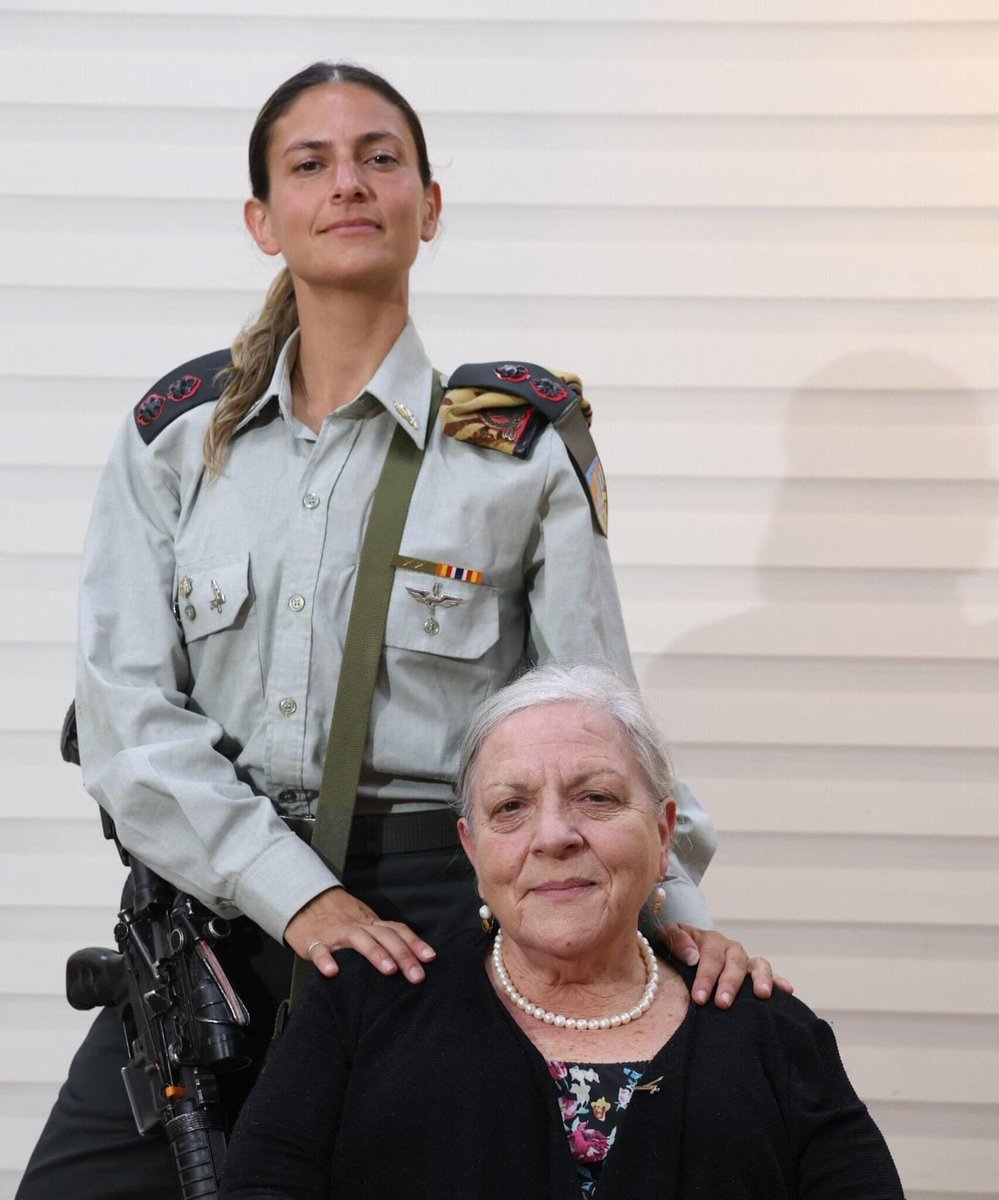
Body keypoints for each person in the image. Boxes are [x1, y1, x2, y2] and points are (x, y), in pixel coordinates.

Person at [17, 63, 778, 1200]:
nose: (349, 184)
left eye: (382, 158)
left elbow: (599, 720)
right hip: (214, 924)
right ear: (261, 220)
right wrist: (296, 893)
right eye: (310, 164)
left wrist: (676, 916)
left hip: (431, 928)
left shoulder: (514, 450)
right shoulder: (177, 442)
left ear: (429, 204)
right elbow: (129, 721)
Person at [221, 664, 903, 1200]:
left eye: (595, 798)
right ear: (472, 847)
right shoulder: (364, 1010)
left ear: (664, 834)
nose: (553, 836)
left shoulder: (767, 1031)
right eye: (510, 807)